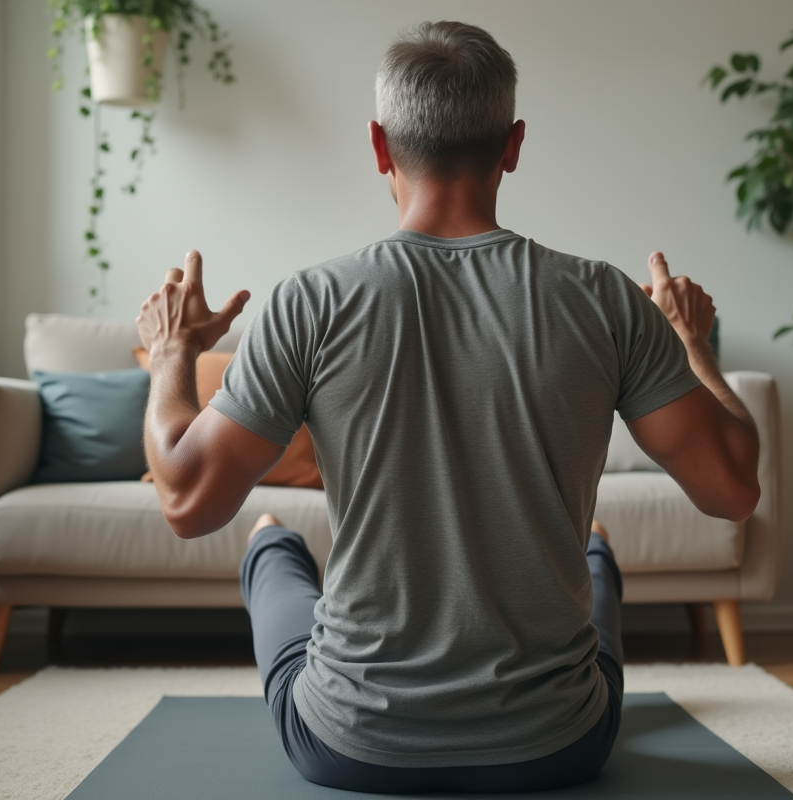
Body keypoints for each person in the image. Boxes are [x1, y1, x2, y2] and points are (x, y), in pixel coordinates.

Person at [136, 20, 760, 794]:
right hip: (559, 747)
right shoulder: (604, 299)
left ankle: (273, 545)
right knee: (594, 570)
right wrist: (692, 343)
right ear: (514, 145)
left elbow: (185, 499)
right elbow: (734, 491)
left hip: (351, 746)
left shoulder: (311, 302)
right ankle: (595, 552)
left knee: (272, 546)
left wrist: (172, 357)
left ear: (378, 147)